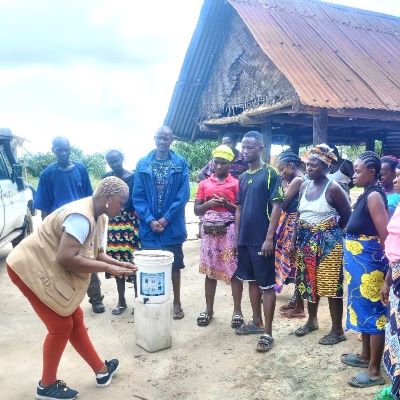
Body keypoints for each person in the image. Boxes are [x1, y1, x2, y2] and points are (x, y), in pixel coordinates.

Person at [7, 176, 137, 400]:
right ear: (108, 199)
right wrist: (108, 268)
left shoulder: (99, 216)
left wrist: (119, 264)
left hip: (44, 266)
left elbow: (96, 252)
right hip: (27, 267)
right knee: (60, 326)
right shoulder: (81, 218)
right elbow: (66, 258)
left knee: (74, 318)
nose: (125, 207)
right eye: (122, 202)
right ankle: (46, 386)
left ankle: (101, 372)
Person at [34, 137, 105, 314]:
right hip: (61, 226)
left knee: (88, 260)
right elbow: (44, 209)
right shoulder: (47, 175)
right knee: (63, 264)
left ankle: (95, 298)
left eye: (66, 149)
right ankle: (65, 302)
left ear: (70, 149)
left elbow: (91, 198)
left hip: (82, 223)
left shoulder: (80, 169)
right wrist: (47, 234)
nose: (63, 153)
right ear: (53, 150)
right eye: (59, 150)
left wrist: (94, 223)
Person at [294, 144, 351, 345]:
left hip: (329, 243)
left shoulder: (333, 188)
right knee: (309, 282)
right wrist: (295, 241)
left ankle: (337, 330)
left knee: (331, 286)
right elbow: (299, 215)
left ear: (326, 167)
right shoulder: (303, 186)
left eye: (314, 165)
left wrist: (329, 232)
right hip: (305, 241)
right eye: (308, 165)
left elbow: (347, 217)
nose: (309, 168)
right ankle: (312, 321)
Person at [231, 131, 283, 352]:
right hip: (245, 240)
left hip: (262, 240)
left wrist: (269, 238)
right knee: (251, 281)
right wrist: (237, 236)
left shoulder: (270, 174)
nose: (245, 151)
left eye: (250, 147)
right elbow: (240, 208)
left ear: (261, 148)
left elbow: (277, 206)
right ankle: (256, 321)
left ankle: (268, 333)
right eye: (243, 147)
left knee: (267, 286)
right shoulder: (243, 177)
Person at [341, 151, 389, 389]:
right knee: (362, 310)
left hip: (370, 266)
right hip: (359, 267)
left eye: (358, 171)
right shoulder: (367, 193)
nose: (354, 175)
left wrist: (388, 275)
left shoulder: (374, 197)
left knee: (373, 313)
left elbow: (385, 236)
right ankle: (364, 356)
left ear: (372, 172)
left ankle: (374, 371)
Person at [133, 126, 190, 320]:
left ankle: (176, 302)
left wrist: (165, 219)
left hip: (171, 226)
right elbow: (138, 197)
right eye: (159, 138)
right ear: (154, 139)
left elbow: (183, 196)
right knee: (150, 266)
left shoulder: (180, 164)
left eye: (166, 138)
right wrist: (149, 220)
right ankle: (150, 301)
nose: (163, 141)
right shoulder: (143, 164)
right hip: (149, 228)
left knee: (174, 266)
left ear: (172, 140)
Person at [194, 144, 239, 326]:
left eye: (223, 163)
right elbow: (197, 210)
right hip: (209, 233)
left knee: (234, 271)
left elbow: (239, 210)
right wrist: (209, 204)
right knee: (210, 272)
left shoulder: (236, 183)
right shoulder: (204, 184)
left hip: (228, 231)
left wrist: (227, 204)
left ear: (230, 165)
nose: (219, 166)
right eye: (216, 162)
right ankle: (209, 309)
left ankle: (237, 311)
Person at [103, 150, 141, 315]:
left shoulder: (133, 177)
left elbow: (136, 199)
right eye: (111, 162)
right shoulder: (107, 178)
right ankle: (121, 301)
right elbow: (102, 198)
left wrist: (122, 206)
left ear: (122, 158)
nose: (114, 164)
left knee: (133, 262)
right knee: (116, 262)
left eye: (117, 160)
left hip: (130, 224)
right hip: (114, 224)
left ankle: (137, 301)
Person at [275, 149, 305, 319]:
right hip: (293, 223)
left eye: (282, 169)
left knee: (296, 262)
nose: (281, 173)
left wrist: (283, 185)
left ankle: (298, 304)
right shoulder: (300, 179)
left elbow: (283, 202)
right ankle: (296, 300)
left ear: (291, 166)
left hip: (294, 224)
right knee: (295, 263)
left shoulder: (298, 180)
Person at [379, 162, 400, 399]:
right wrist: (387, 281)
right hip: (395, 275)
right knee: (395, 332)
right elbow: (394, 249)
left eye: (399, 176)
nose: (395, 180)